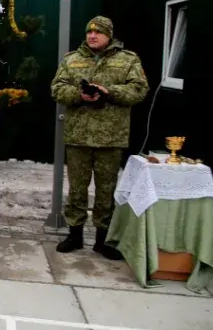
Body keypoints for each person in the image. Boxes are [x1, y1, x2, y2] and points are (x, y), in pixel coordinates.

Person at [51, 15, 148, 260]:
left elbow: (139, 90)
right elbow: (57, 88)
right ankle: (75, 235)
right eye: (89, 32)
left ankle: (103, 240)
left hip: (110, 138)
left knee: (107, 190)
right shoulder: (72, 60)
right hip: (79, 137)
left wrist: (109, 92)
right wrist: (78, 95)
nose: (92, 36)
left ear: (109, 35)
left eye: (98, 32)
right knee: (76, 189)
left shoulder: (128, 60)